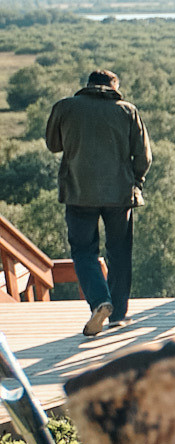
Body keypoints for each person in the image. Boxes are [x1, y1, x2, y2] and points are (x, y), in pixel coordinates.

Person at [44, 68, 152, 337]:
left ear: (89, 85)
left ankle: (99, 301)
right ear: (114, 87)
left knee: (83, 252)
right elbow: (144, 157)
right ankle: (118, 314)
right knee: (119, 251)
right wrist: (136, 181)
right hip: (119, 194)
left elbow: (53, 144)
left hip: (78, 192)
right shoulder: (127, 111)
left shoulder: (65, 107)